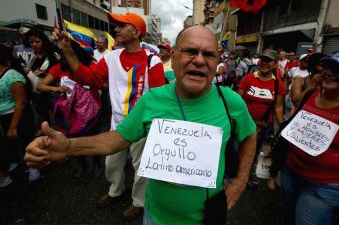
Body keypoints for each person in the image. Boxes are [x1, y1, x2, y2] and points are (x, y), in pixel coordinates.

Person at [24, 25, 257, 225]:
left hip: (209, 217)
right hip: (155, 217)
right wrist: (68, 147)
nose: (199, 60)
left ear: (217, 62)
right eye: (190, 51)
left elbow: (249, 135)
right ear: (173, 58)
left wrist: (239, 182)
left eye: (208, 54)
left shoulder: (231, 101)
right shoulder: (152, 100)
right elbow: (117, 138)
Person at [50, 12, 166, 220]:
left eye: (122, 25)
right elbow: (88, 77)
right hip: (117, 125)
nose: (115, 29)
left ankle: (138, 202)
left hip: (142, 127)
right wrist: (67, 49)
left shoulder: (153, 61)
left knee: (141, 169)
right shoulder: (111, 58)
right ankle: (116, 190)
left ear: (137, 32)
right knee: (111, 164)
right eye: (116, 25)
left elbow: (159, 98)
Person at [280, 50, 339, 225]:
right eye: (328, 66)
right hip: (291, 173)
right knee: (287, 218)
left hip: (326, 186)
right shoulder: (309, 94)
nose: (329, 72)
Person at [36, 40, 103, 178]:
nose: (63, 56)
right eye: (62, 53)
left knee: (93, 139)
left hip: (92, 109)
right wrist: (56, 88)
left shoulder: (89, 64)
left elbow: (101, 82)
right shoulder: (59, 67)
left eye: (66, 52)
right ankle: (81, 164)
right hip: (71, 112)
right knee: (73, 139)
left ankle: (97, 164)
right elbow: (40, 86)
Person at [237, 49, 286, 190]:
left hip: (264, 126)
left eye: (268, 60)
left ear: (275, 63)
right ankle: (234, 173)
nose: (264, 63)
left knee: (255, 151)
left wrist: (283, 126)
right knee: (239, 148)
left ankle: (246, 175)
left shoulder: (278, 84)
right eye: (263, 60)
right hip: (245, 123)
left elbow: (278, 108)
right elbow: (237, 102)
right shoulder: (248, 78)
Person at [0, 44, 33, 187]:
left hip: (16, 116)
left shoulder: (13, 76)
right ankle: (15, 165)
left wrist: (13, 126)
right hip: (3, 117)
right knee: (8, 145)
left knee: (25, 142)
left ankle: (34, 168)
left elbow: (21, 103)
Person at [25, 29, 59, 133]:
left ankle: (62, 134)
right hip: (38, 93)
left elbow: (60, 71)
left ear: (43, 41)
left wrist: (45, 73)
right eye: (31, 42)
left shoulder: (53, 54)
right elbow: (30, 70)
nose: (34, 44)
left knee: (58, 115)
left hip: (52, 91)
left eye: (37, 41)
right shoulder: (32, 56)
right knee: (43, 116)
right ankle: (47, 133)